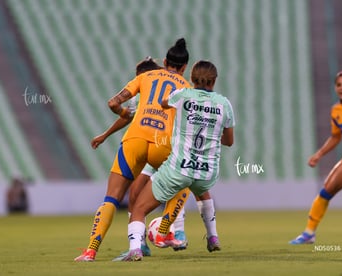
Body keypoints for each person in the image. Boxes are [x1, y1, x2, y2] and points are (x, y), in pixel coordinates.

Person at [75, 38, 192, 262]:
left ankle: (90, 251)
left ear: (165, 61)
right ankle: (165, 230)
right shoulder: (185, 87)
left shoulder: (144, 77)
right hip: (162, 142)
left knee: (111, 198)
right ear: (185, 67)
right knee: (184, 181)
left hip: (135, 139)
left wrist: (124, 114)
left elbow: (113, 103)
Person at [91, 57, 222, 257]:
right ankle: (171, 233)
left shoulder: (152, 86)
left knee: (148, 191)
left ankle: (166, 233)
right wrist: (104, 135)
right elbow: (130, 116)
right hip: (164, 146)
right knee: (188, 186)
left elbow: (126, 114)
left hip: (155, 144)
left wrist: (105, 135)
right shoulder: (179, 87)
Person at [120, 60, 235, 261]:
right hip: (207, 171)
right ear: (214, 81)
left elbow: (163, 103)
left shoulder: (182, 95)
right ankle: (213, 237)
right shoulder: (224, 104)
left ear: (191, 79)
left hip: (179, 168)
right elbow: (229, 141)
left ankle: (135, 250)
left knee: (138, 207)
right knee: (202, 191)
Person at [289, 70, 342, 244]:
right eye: (339, 85)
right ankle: (309, 233)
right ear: (335, 88)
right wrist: (319, 154)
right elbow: (336, 137)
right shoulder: (335, 110)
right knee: (325, 193)